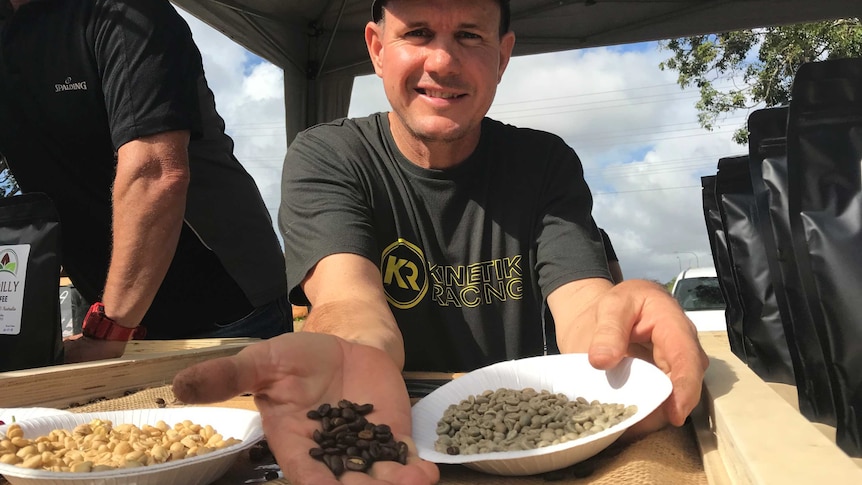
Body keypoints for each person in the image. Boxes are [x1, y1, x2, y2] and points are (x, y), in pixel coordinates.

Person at [173, 1, 707, 484]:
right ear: (378, 50)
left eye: (470, 36)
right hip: (396, 443)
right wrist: (347, 353)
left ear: (503, 56)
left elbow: (584, 304)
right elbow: (347, 300)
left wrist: (621, 348)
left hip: (532, 451)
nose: (443, 62)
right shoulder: (329, 156)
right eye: (419, 32)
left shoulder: (544, 163)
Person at [0, 0, 290, 364]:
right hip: (118, 321)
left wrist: (110, 329)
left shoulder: (124, 11)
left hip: (225, 314)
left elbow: (155, 173)